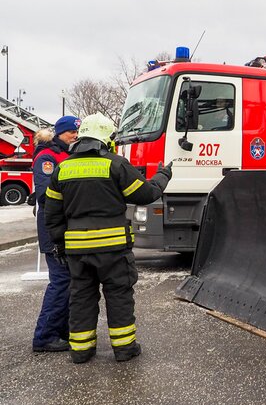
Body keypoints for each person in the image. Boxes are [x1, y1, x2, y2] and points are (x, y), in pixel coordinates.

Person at [44, 113, 172, 363]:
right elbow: (146, 194)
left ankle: (81, 351)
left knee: (81, 297)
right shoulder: (115, 164)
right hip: (113, 250)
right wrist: (163, 175)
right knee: (119, 296)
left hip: (78, 251)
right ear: (105, 138)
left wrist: (60, 243)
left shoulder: (63, 168)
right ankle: (124, 349)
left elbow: (52, 212)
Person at [31, 116, 80, 353]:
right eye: (71, 131)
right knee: (61, 282)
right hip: (53, 230)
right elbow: (44, 194)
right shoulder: (47, 157)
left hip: (66, 229)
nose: (75, 136)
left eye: (77, 132)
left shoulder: (67, 156)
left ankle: (60, 331)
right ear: (60, 133)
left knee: (68, 282)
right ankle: (44, 336)